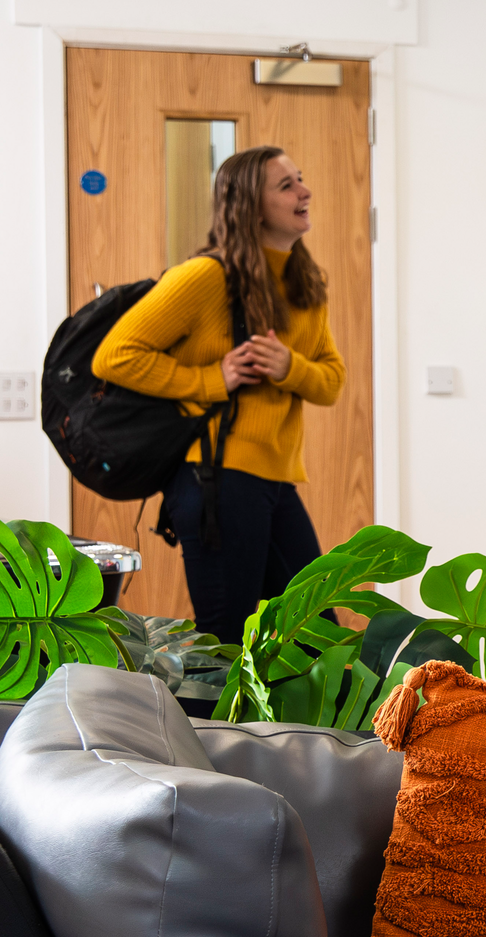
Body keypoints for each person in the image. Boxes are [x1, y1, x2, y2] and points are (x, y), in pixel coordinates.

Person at [92, 145, 343, 646]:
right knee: (227, 643)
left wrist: (286, 366)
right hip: (216, 479)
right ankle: (209, 730)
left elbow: (331, 381)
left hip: (276, 480)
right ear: (250, 205)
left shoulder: (303, 283)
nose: (304, 190)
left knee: (316, 639)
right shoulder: (206, 277)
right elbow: (114, 356)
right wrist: (214, 379)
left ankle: (294, 731)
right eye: (286, 184)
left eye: (301, 177)